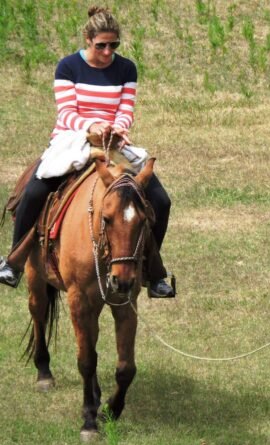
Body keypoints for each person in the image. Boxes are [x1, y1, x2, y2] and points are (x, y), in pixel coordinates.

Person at [0, 6, 175, 298]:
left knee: (161, 200)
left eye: (114, 45)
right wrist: (92, 126)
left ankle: (151, 272)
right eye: (101, 45)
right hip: (73, 140)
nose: (108, 52)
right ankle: (14, 261)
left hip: (114, 145)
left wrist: (116, 128)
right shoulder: (67, 66)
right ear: (88, 39)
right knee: (33, 192)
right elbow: (67, 112)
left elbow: (126, 111)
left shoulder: (127, 68)